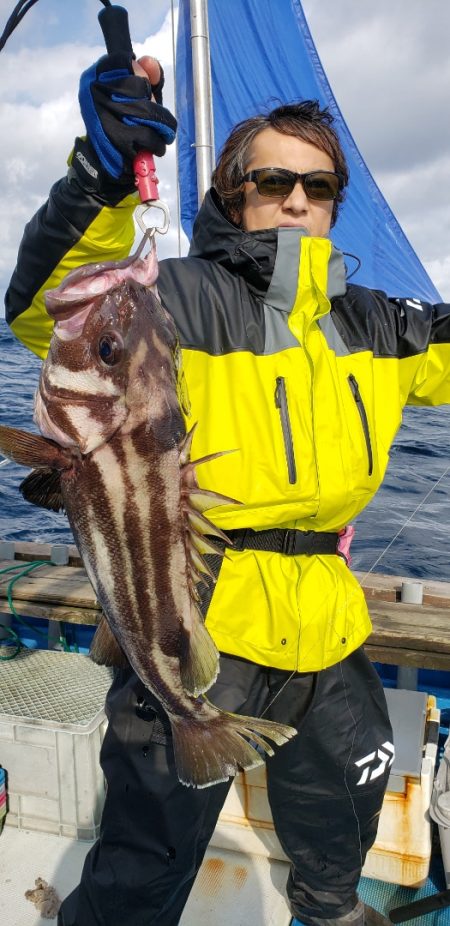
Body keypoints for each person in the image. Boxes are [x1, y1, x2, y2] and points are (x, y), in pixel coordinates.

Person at [5, 48, 450, 926]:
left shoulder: (377, 322)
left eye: (317, 188)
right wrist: (99, 176)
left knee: (342, 828)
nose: (295, 199)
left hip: (329, 620)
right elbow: (51, 307)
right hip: (193, 612)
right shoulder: (166, 300)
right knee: (144, 858)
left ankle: (330, 909)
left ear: (332, 206)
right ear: (231, 194)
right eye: (273, 180)